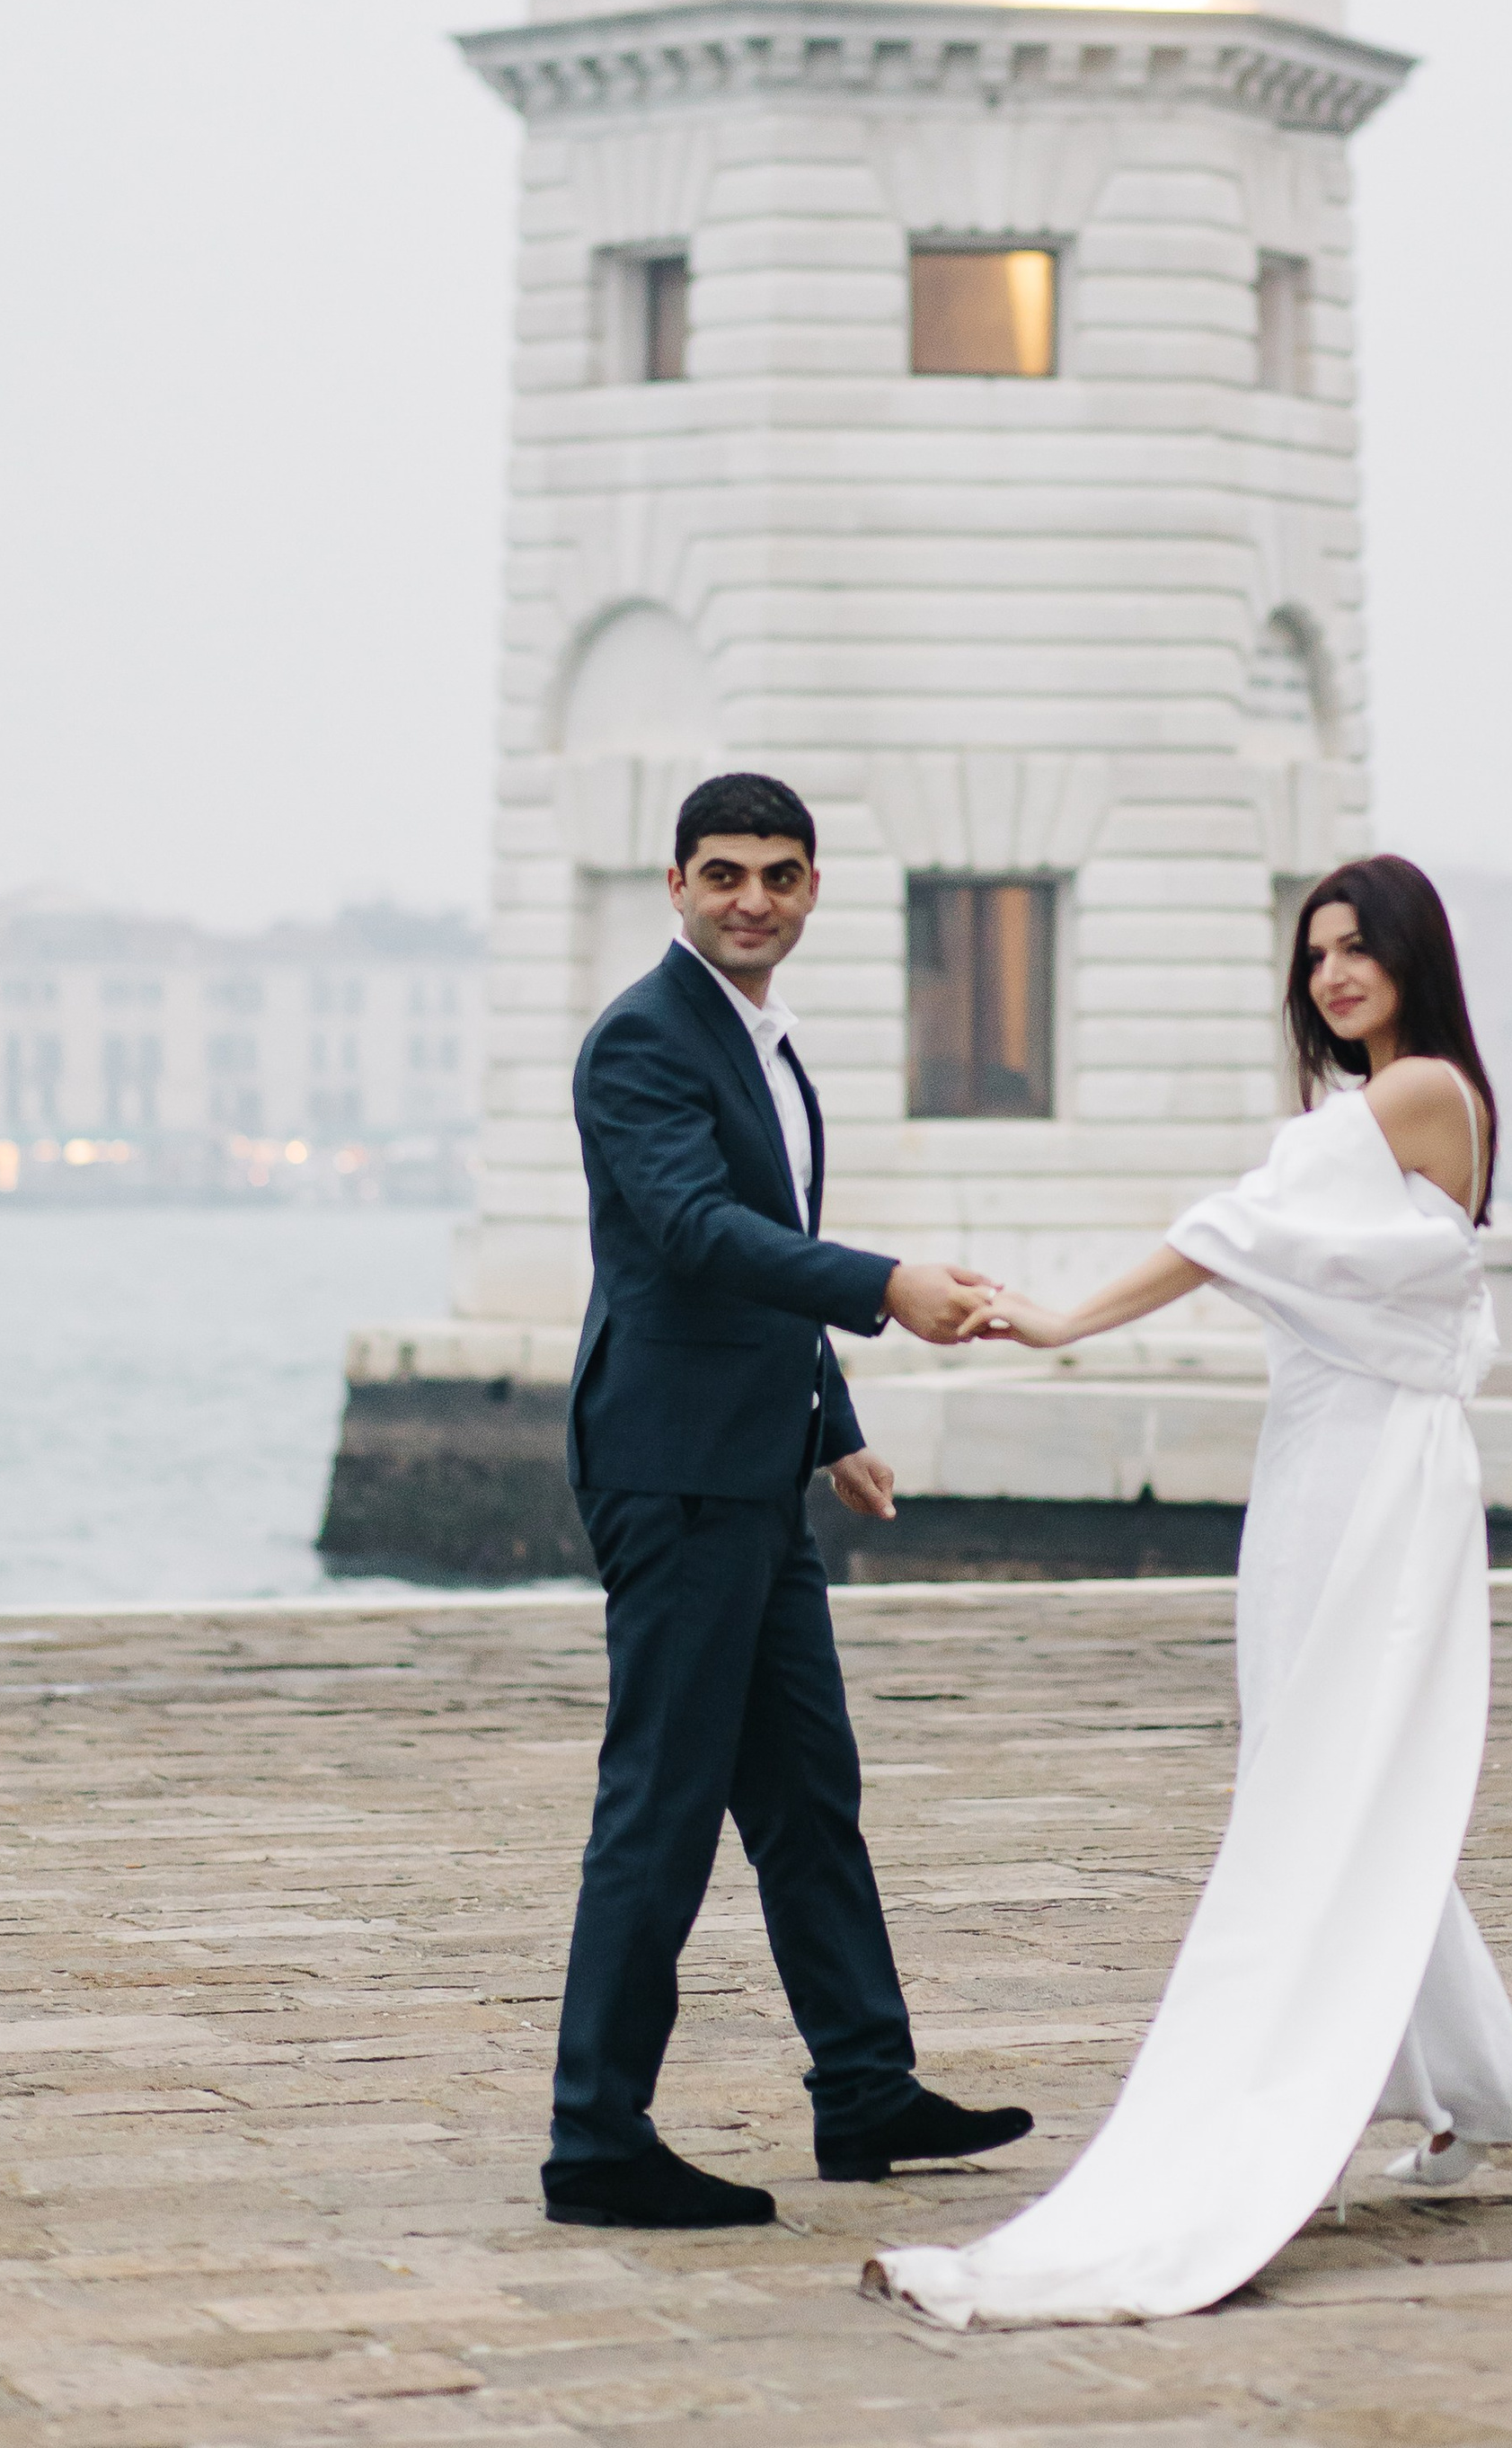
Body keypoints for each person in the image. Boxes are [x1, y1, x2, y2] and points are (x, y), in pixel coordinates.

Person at [869, 852, 1512, 2328]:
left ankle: (1332, 2084)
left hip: (1377, 1481)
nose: (1333, 976)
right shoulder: (1354, 1118)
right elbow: (1262, 1235)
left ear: (1415, 957)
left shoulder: (1422, 1094)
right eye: (1315, 956)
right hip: (1317, 1466)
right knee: (1328, 1770)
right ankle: (1480, 2088)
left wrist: (1058, 1321)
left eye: (1359, 949)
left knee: (1331, 1777)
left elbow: (1230, 1230)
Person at [543, 769, 1026, 2232]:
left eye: (780, 875)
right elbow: (698, 1234)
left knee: (810, 1795)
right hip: (672, 1471)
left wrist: (833, 1425)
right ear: (675, 887)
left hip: (754, 1463)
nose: (752, 898)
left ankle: (866, 2090)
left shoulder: (758, 1036)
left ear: (813, 889)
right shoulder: (641, 1039)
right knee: (665, 1806)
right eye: (723, 874)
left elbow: (764, 1251)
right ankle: (595, 2141)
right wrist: (887, 1286)